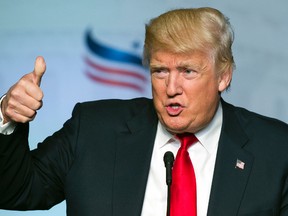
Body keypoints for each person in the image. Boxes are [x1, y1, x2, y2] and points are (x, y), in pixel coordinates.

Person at [0, 7, 288, 216]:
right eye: (160, 71)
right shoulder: (92, 129)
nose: (171, 87)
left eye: (187, 71)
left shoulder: (275, 149)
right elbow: (15, 192)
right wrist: (7, 117)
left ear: (223, 76)